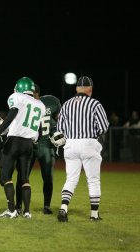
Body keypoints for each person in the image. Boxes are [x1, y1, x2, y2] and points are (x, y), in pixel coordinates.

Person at [56, 76, 109, 222]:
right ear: (90, 89)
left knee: (71, 179)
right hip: (89, 143)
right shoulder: (94, 104)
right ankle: (94, 215)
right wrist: (93, 134)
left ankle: (63, 208)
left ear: (76, 89)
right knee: (93, 180)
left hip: (70, 144)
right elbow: (104, 127)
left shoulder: (66, 104)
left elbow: (60, 129)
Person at [0, 77, 46, 219]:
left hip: (14, 141)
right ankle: (27, 212)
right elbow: (39, 129)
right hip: (28, 143)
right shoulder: (40, 104)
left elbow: (12, 114)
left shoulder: (17, 97)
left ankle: (11, 211)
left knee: (5, 176)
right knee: (24, 178)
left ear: (20, 87)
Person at [15, 84, 61, 215]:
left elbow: (58, 120)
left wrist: (56, 131)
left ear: (36, 93)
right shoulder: (47, 103)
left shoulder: (48, 102)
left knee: (46, 177)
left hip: (42, 143)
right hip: (31, 143)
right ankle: (20, 205)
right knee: (23, 176)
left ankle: (45, 205)